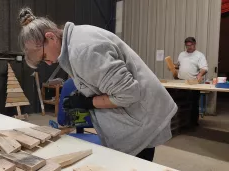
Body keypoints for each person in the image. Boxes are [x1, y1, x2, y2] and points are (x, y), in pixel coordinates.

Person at [18, 7, 177, 162]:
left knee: (137, 163)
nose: (49, 62)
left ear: (51, 37)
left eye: (44, 56)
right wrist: (85, 94)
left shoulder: (83, 51)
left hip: (141, 121)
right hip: (137, 116)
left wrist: (88, 102)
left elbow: (128, 93)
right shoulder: (76, 39)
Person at [176, 37, 208, 126]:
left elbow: (204, 68)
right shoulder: (182, 54)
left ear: (195, 44)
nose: (189, 47)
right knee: (181, 102)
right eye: (187, 45)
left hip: (193, 83)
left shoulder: (199, 55)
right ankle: (182, 121)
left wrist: (200, 75)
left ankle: (193, 122)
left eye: (191, 45)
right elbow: (179, 65)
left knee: (193, 103)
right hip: (181, 82)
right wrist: (173, 66)